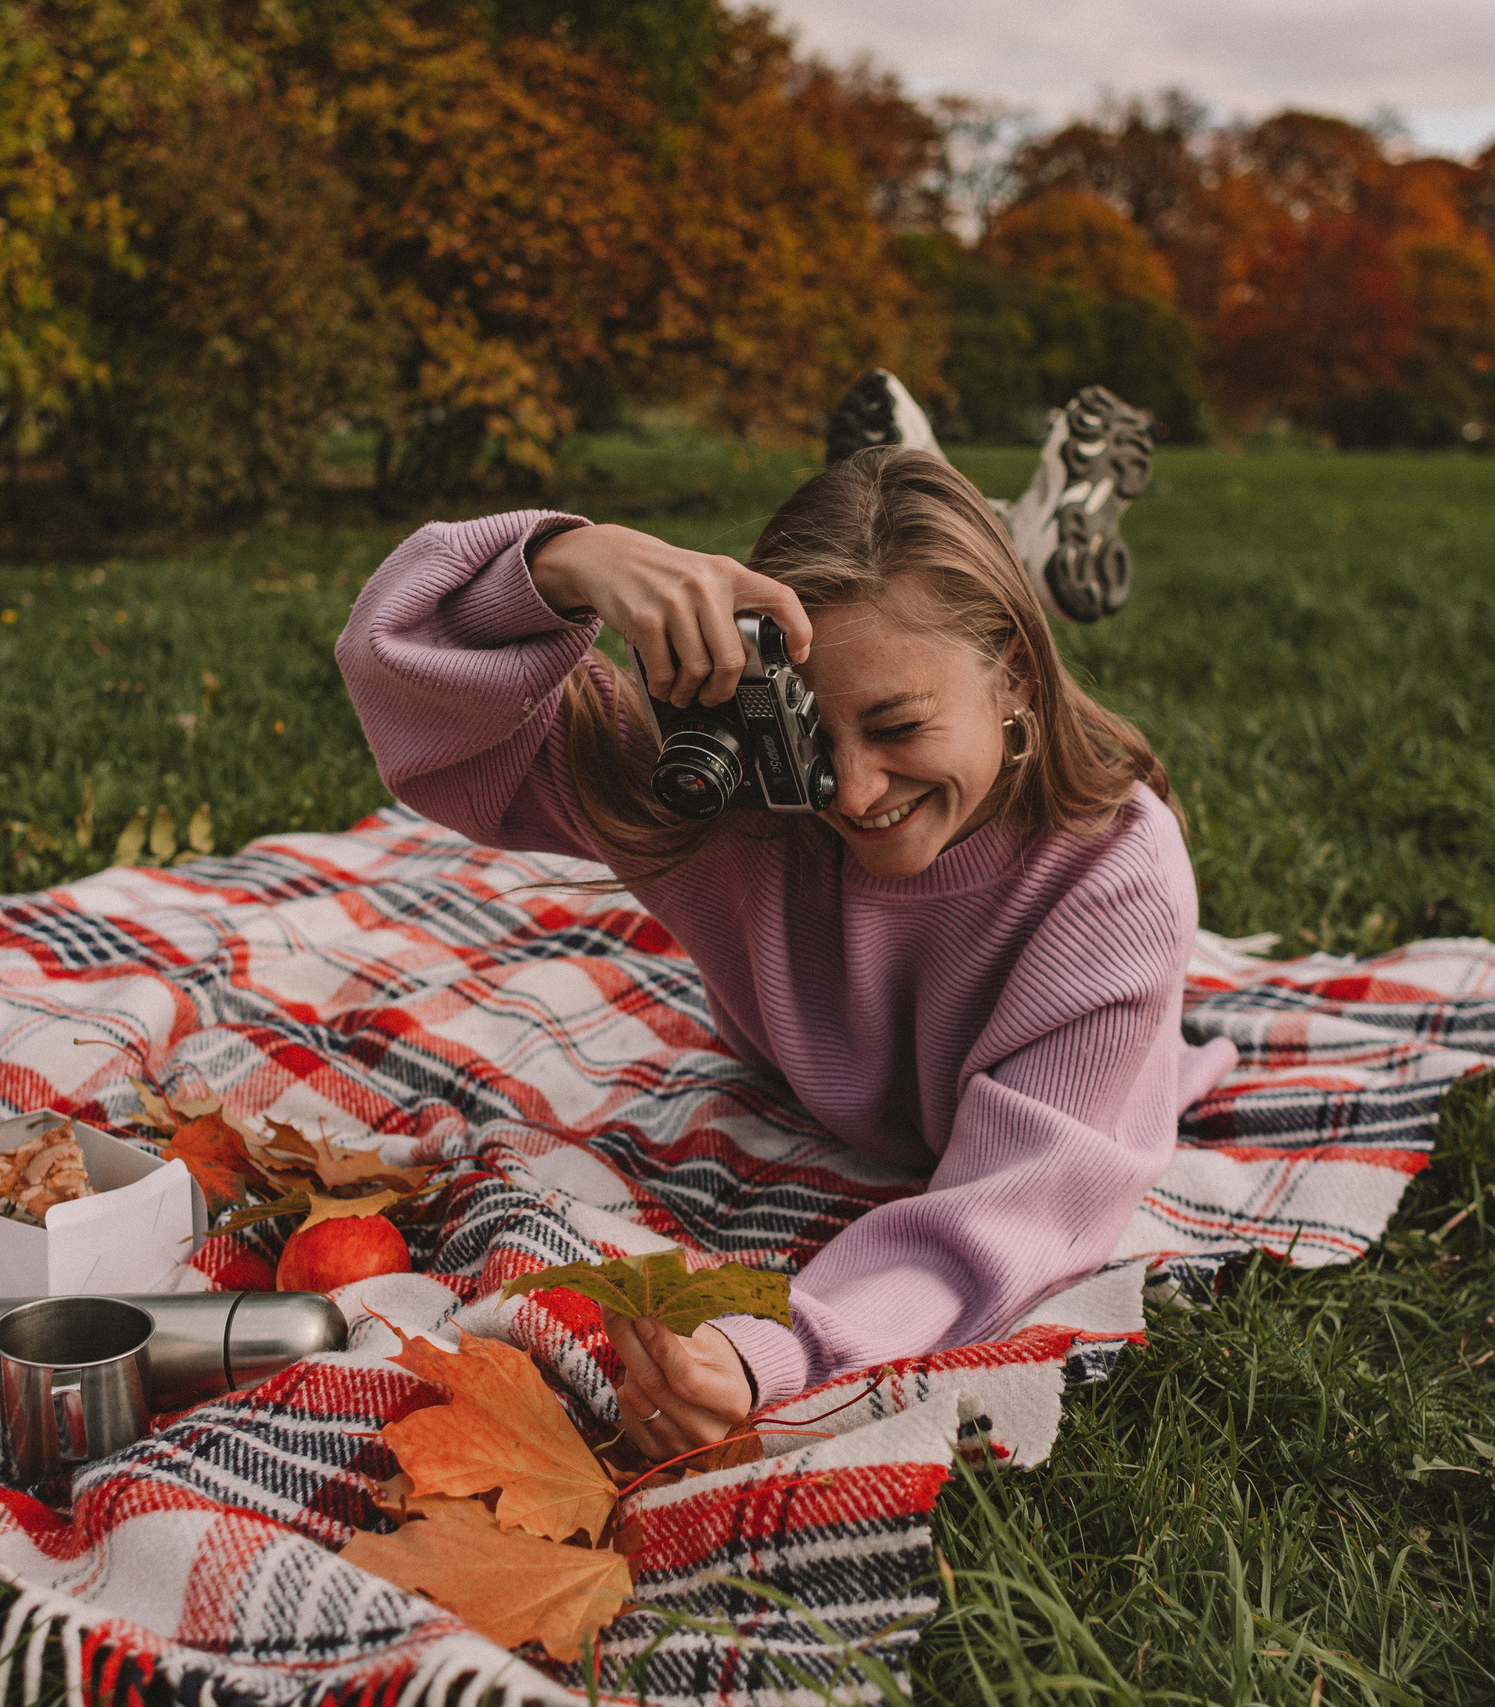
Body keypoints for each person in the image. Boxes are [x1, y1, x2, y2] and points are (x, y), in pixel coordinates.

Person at [333, 395, 1232, 1464]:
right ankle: (941, 491)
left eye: (898, 726)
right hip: (821, 1084)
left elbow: (1010, 1213)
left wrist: (776, 1351)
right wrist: (570, 560)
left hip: (1075, 1092)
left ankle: (987, 508)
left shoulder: (1111, 876)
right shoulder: (752, 794)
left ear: (1016, 678)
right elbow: (398, 670)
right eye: (815, 735)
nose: (850, 793)